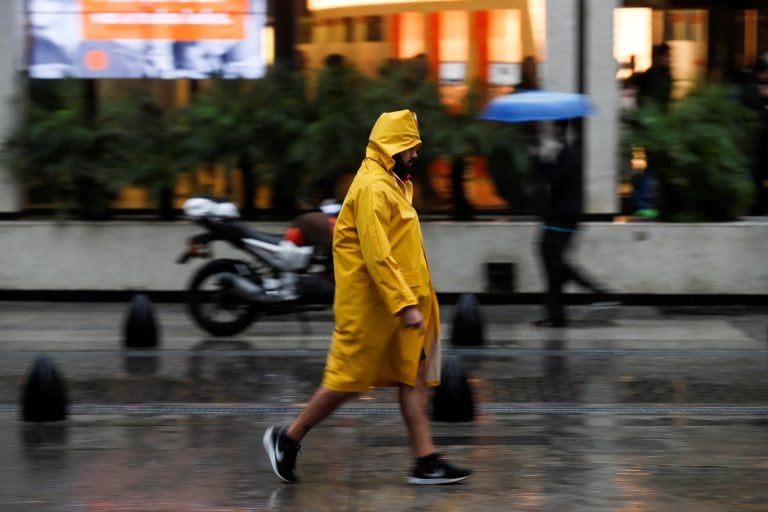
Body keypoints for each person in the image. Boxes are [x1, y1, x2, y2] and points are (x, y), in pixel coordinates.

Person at [263, 110, 471, 485]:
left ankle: (425, 460)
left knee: (413, 377)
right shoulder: (373, 188)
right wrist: (405, 304)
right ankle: (287, 438)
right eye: (410, 146)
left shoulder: (389, 183)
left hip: (397, 306)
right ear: (392, 145)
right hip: (375, 310)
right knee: (346, 381)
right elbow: (377, 254)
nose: (415, 155)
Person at [534, 120, 612, 328]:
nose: (550, 130)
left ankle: (599, 292)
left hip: (562, 218)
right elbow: (550, 177)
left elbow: (554, 178)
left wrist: (540, 158)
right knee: (552, 264)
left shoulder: (568, 154)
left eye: (553, 127)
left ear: (561, 129)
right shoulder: (565, 152)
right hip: (558, 217)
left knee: (554, 262)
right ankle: (556, 315)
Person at [632, 42, 673, 219]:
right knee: (650, 168)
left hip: (656, 127)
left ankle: (646, 202)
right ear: (658, 57)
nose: (669, 60)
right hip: (651, 128)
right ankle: (643, 203)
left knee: (652, 169)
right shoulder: (654, 75)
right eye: (667, 56)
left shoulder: (663, 74)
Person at [739, 57, 768, 216]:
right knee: (754, 174)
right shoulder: (750, 87)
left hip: (762, 139)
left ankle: (760, 205)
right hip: (754, 140)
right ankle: (754, 206)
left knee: (760, 174)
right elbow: (753, 108)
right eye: (764, 72)